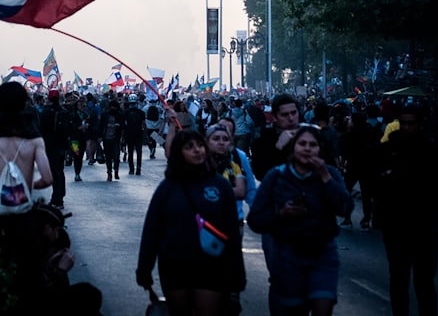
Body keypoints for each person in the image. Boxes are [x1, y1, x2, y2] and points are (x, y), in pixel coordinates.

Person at [136, 129, 245, 316]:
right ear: (179, 153)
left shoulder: (220, 185)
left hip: (211, 265)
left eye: (200, 145)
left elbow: (231, 232)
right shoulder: (167, 188)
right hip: (175, 265)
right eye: (189, 147)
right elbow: (152, 230)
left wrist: (237, 272)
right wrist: (144, 269)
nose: (197, 150)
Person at [248, 124, 354, 316]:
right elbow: (256, 219)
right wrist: (281, 214)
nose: (307, 148)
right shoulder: (277, 176)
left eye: (312, 145)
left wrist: (325, 177)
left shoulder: (329, 173)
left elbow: (345, 207)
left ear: (320, 148)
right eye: (302, 143)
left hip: (323, 253)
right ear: (293, 147)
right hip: (288, 255)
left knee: (323, 305)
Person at [0, 82, 53, 305]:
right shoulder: (35, 141)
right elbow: (47, 179)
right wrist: (26, 187)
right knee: (29, 282)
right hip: (26, 220)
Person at [373, 105, 438, 316]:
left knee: (424, 282)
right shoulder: (388, 149)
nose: (406, 128)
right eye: (403, 123)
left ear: (420, 124)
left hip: (424, 227)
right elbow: (377, 184)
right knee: (398, 279)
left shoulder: (432, 150)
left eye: (411, 123)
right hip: (396, 226)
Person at [251, 94, 302, 181]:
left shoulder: (311, 137)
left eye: (294, 113)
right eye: (284, 115)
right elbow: (261, 174)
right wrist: (278, 148)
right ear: (274, 117)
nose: (291, 118)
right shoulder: (261, 143)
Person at [39, 89, 73, 208]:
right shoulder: (64, 111)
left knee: (54, 172)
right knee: (60, 171)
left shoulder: (46, 112)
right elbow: (69, 129)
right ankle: (60, 196)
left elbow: (41, 130)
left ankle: (57, 198)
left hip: (50, 146)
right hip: (62, 146)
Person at [98, 99, 125, 182]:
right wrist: (99, 136)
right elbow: (101, 126)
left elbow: (123, 127)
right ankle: (109, 172)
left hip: (116, 139)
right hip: (106, 139)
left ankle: (116, 171)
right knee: (108, 157)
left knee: (116, 156)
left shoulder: (120, 116)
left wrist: (122, 137)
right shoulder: (105, 115)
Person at [124, 94, 147, 175]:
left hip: (129, 134)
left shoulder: (126, 112)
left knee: (130, 152)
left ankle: (131, 169)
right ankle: (138, 168)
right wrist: (145, 134)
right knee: (139, 152)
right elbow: (144, 124)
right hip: (138, 134)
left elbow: (124, 124)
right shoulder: (141, 112)